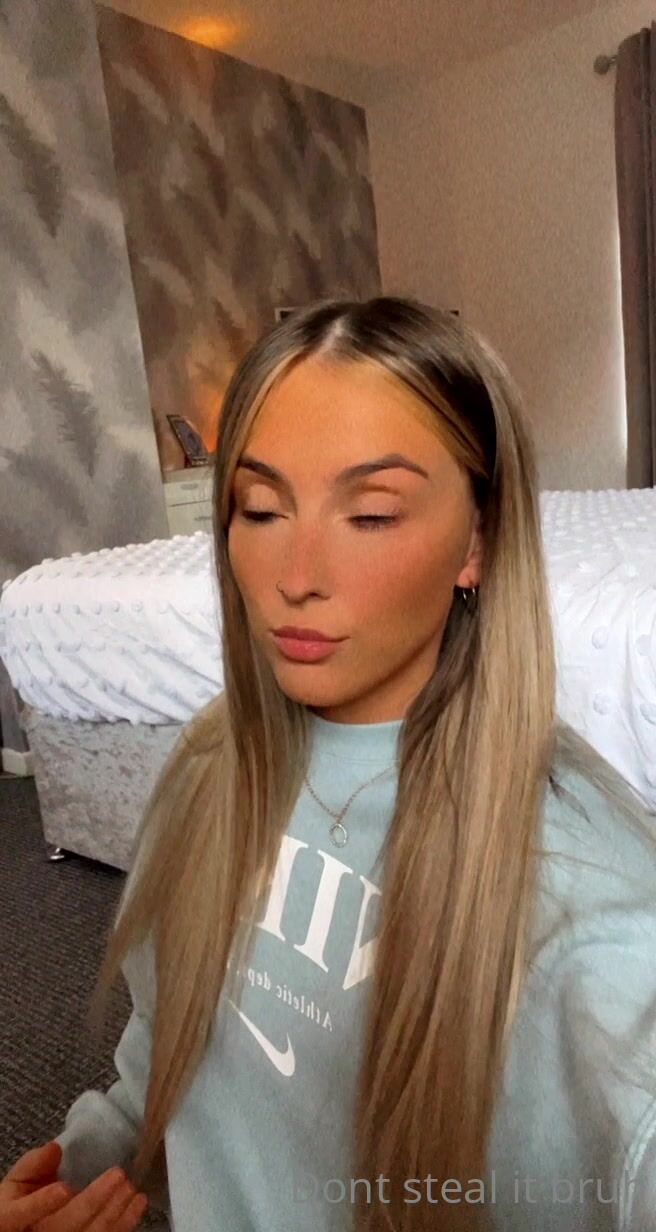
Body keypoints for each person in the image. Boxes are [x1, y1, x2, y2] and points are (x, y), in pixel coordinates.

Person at [3, 295, 656, 1232]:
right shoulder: (208, 769)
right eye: (261, 508)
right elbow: (168, 1055)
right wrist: (86, 1167)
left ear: (478, 540)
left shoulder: (592, 918)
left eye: (372, 514)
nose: (295, 575)